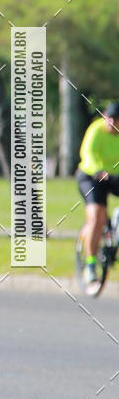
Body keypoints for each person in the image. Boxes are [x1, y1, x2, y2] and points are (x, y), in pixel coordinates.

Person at [76, 101, 119, 285]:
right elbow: (88, 153)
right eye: (109, 119)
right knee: (97, 217)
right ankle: (91, 265)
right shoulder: (96, 130)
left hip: (115, 177)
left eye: (116, 120)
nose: (111, 123)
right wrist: (98, 171)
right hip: (91, 177)